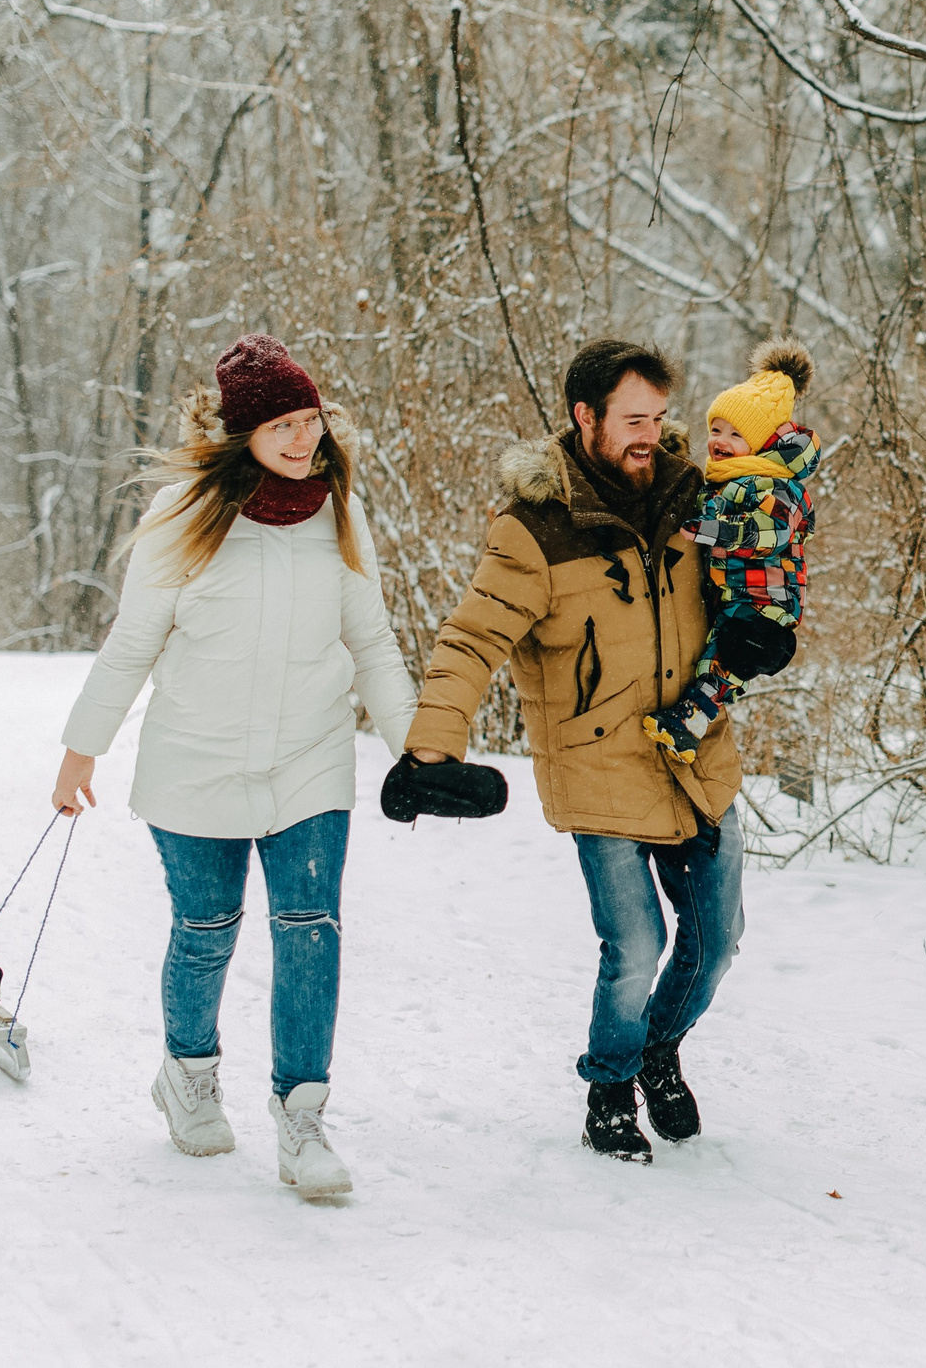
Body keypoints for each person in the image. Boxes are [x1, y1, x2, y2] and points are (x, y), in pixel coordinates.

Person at [51, 334, 415, 1200]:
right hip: (197, 757)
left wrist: (417, 749)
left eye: (309, 420)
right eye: (282, 425)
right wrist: (81, 747)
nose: (302, 439)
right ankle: (188, 1075)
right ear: (243, 432)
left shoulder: (339, 510)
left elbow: (370, 640)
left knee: (310, 927)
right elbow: (133, 641)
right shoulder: (183, 512)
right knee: (206, 927)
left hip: (308, 756)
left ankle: (302, 1116)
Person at [398, 338, 744, 1163]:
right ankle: (610, 1088)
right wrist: (433, 749)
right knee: (635, 948)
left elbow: (764, 560)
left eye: (659, 418)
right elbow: (472, 638)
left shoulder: (691, 498)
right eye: (633, 420)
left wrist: (776, 579)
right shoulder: (534, 530)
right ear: (585, 417)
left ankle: (658, 1049)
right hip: (599, 766)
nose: (651, 436)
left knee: (717, 939)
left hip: (695, 756)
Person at [643, 340, 820, 762]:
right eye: (716, 430)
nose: (720, 441)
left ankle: (688, 719)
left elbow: (769, 533)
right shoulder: (725, 480)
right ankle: (688, 728)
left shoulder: (782, 487)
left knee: (728, 658)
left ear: (760, 443)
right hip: (735, 595)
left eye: (736, 434)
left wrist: (711, 530)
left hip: (766, 601)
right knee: (715, 661)